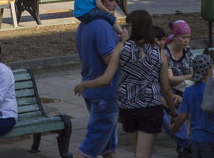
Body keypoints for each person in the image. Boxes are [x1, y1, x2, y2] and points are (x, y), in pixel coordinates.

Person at [74, 9, 178, 158]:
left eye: (127, 25)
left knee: (137, 150)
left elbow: (106, 79)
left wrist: (84, 85)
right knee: (143, 153)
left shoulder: (122, 48)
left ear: (134, 27)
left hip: (128, 108)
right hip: (150, 108)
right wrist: (173, 112)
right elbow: (166, 88)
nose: (124, 28)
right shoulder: (159, 52)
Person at [74, 0, 120, 158]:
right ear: (99, 3)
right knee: (90, 147)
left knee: (108, 147)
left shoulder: (82, 27)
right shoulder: (102, 26)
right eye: (111, 0)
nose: (115, 4)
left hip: (92, 90)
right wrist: (124, 45)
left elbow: (82, 60)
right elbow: (110, 59)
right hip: (104, 94)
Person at [172, 53, 214, 158]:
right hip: (212, 138)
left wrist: (175, 128)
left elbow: (183, 116)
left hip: (195, 138)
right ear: (208, 71)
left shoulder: (189, 91)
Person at [164, 19, 193, 157]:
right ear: (175, 36)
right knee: (185, 103)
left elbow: (193, 71)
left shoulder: (187, 50)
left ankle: (185, 146)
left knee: (192, 99)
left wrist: (189, 76)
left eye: (188, 37)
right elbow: (169, 79)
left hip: (186, 88)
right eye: (183, 37)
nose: (186, 41)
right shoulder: (166, 52)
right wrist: (189, 76)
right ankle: (186, 144)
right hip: (170, 90)